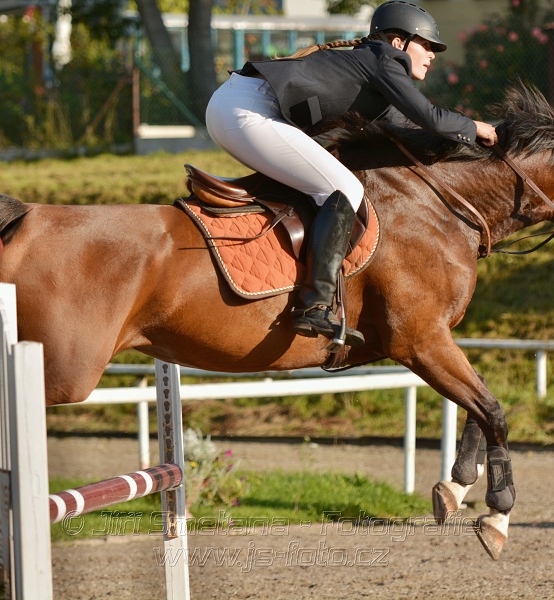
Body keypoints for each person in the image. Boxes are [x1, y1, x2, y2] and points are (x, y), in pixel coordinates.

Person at [205, 0, 497, 348]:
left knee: (328, 184)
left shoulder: (374, 71)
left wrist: (479, 153)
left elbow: (410, 130)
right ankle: (314, 304)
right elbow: (430, 117)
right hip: (247, 112)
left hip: (238, 107)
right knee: (342, 188)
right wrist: (476, 126)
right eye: (427, 45)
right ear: (398, 42)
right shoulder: (384, 59)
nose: (433, 55)